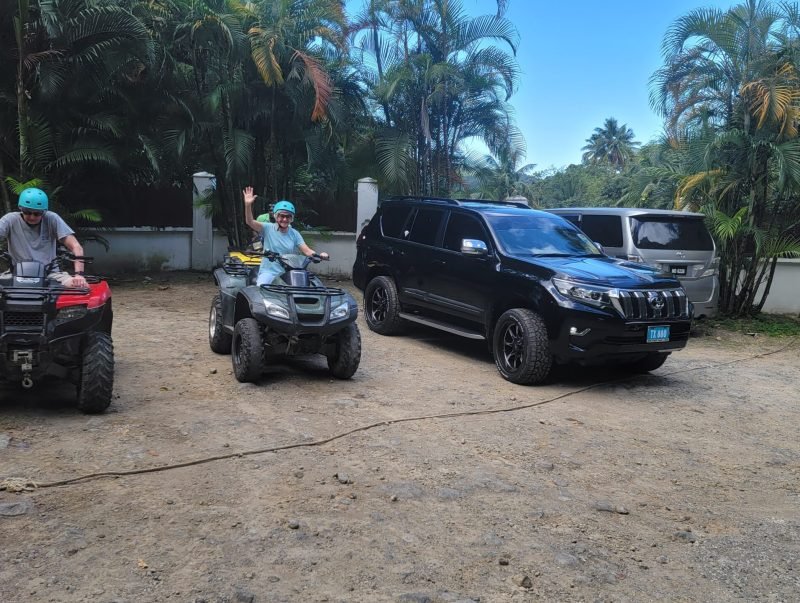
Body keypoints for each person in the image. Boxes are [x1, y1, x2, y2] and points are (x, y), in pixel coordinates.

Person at [0, 187, 88, 288]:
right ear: (21, 208)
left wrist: (79, 275)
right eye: (27, 212)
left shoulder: (52, 219)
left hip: (50, 272)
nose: (32, 217)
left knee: (82, 286)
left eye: (37, 213)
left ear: (44, 212)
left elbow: (76, 246)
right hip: (16, 272)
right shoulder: (10, 220)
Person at [242, 186, 328, 286]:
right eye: (282, 216)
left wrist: (320, 255)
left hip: (289, 273)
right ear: (276, 216)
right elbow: (250, 222)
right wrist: (247, 205)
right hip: (269, 272)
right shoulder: (268, 228)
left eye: (288, 216)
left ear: (292, 218)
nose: (285, 219)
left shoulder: (294, 233)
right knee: (261, 290)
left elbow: (307, 251)